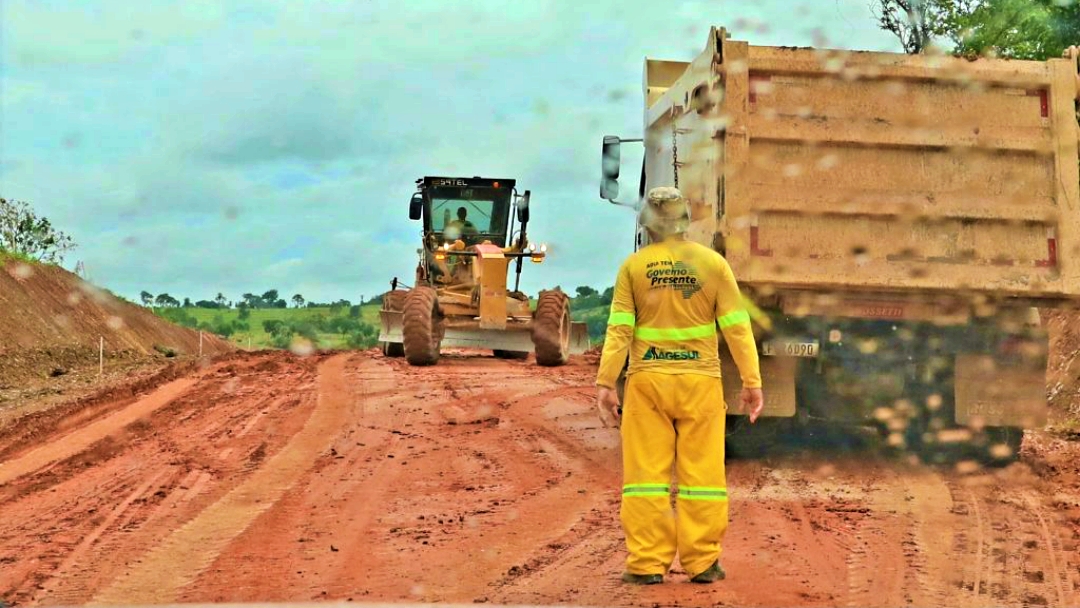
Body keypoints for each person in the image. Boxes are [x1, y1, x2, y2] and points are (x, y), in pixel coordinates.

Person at [595, 186, 764, 585]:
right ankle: (702, 563)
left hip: (647, 383)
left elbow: (619, 331)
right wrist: (752, 381)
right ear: (686, 221)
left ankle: (646, 565)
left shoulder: (633, 268)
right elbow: (738, 330)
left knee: (644, 480)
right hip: (700, 383)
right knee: (703, 479)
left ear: (647, 224)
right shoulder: (713, 264)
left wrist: (605, 382)